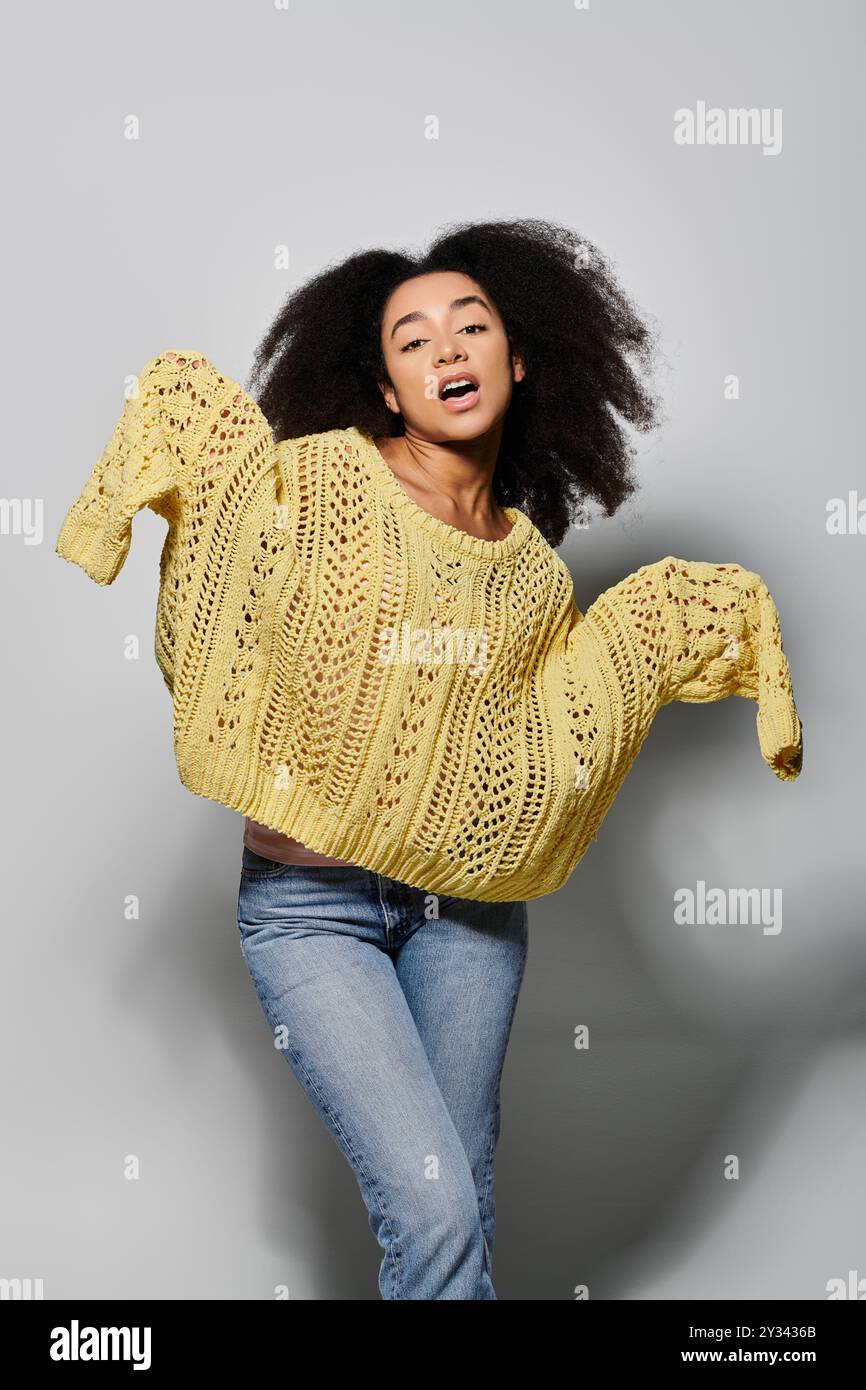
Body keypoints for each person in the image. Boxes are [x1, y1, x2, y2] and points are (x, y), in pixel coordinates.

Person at [56, 219, 802, 1300]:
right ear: (387, 387)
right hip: (311, 910)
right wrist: (146, 480)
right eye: (412, 340)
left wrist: (683, 634)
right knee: (433, 1206)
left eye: (471, 327)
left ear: (519, 357)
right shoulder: (319, 484)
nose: (446, 350)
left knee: (460, 1205)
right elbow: (230, 538)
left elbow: (536, 745)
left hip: (469, 926)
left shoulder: (534, 580)